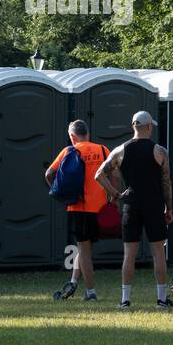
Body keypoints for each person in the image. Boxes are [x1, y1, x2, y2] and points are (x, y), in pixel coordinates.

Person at [94, 111, 173, 309]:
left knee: (129, 254)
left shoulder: (120, 150)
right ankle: (162, 299)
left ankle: (125, 300)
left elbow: (99, 175)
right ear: (148, 127)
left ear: (133, 127)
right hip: (154, 205)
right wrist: (169, 209)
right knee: (158, 252)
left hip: (131, 204)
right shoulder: (160, 151)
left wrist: (115, 193)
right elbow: (166, 183)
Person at [45, 120, 109, 302]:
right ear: (87, 133)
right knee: (86, 247)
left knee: (84, 249)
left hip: (78, 206)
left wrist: (59, 192)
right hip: (100, 206)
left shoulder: (69, 151)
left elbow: (49, 173)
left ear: (72, 136)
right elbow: (114, 174)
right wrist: (112, 195)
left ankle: (91, 292)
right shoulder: (103, 150)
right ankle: (73, 281)